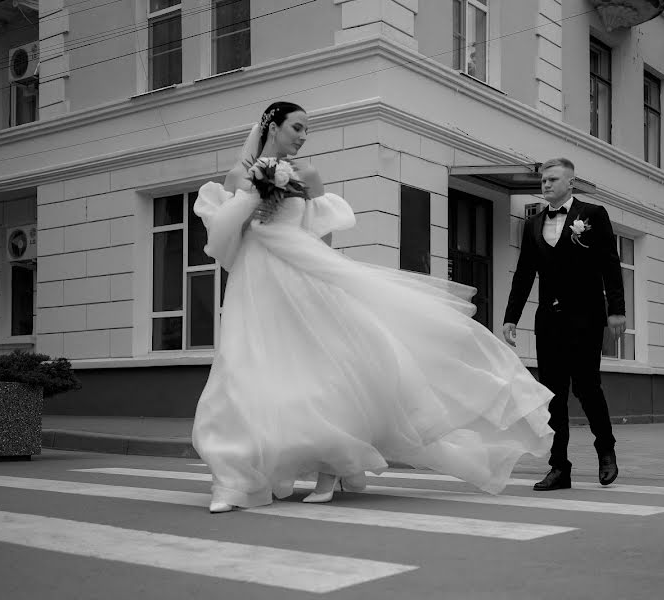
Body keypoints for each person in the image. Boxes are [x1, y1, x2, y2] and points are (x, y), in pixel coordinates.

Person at [191, 101, 556, 513]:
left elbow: (319, 236)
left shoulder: (308, 176)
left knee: (319, 367)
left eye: (307, 130)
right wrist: (252, 194)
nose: (303, 136)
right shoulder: (238, 176)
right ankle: (235, 479)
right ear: (271, 126)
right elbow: (226, 239)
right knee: (244, 369)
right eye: (297, 127)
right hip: (255, 279)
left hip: (302, 276)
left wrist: (326, 279)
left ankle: (333, 462)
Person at [502, 158, 624, 491]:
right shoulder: (533, 224)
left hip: (585, 317)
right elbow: (525, 272)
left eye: (553, 179)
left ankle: (606, 451)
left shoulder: (593, 215)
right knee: (553, 396)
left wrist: (617, 310)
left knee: (587, 387)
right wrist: (511, 316)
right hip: (549, 322)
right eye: (543, 180)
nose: (545, 185)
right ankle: (559, 468)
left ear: (571, 183)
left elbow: (610, 265)